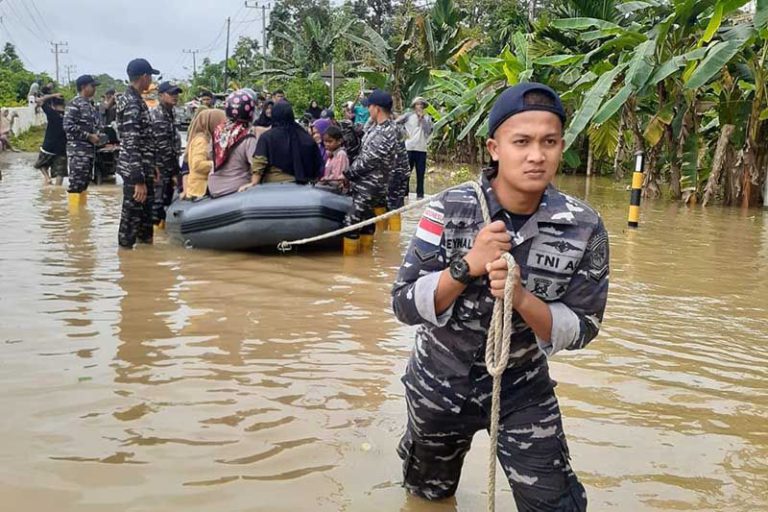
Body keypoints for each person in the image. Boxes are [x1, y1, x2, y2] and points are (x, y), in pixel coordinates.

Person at [391, 83, 609, 511]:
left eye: (549, 142)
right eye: (521, 142)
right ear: (494, 147)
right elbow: (402, 303)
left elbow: (584, 327)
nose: (536, 155)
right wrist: (465, 266)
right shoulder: (447, 208)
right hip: (438, 385)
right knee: (428, 498)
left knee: (555, 505)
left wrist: (522, 298)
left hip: (522, 389)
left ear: (561, 147)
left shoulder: (583, 226)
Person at [342, 89, 403, 250]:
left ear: (377, 108)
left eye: (370, 107)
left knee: (351, 223)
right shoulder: (377, 127)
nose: (368, 110)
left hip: (371, 184)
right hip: (370, 183)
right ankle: (364, 266)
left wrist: (348, 174)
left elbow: (368, 160)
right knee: (366, 222)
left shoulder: (387, 131)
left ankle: (349, 268)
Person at [116, 58, 160, 248]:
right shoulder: (132, 103)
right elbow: (132, 142)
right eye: (150, 76)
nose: (151, 80)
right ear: (144, 76)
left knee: (145, 224)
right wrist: (139, 180)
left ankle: (145, 266)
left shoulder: (134, 99)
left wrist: (153, 166)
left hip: (143, 168)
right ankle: (127, 267)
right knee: (131, 224)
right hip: (136, 172)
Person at [241, 101, 323, 189]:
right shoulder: (304, 136)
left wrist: (254, 183)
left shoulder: (267, 137)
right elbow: (316, 162)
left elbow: (260, 162)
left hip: (273, 187)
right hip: (303, 187)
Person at [207, 90, 259, 198]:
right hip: (237, 190)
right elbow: (256, 166)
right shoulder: (248, 136)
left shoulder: (218, 131)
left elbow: (210, 155)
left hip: (213, 187)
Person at [63, 75, 102, 197]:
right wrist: (89, 136)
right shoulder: (74, 104)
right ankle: (74, 216)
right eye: (93, 86)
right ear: (83, 87)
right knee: (76, 186)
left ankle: (81, 214)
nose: (95, 89)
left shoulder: (90, 105)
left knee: (84, 185)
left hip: (89, 153)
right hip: (78, 152)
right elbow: (68, 126)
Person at [150, 81, 183, 226]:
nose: (175, 96)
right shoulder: (157, 115)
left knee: (167, 200)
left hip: (171, 165)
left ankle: (162, 237)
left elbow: (173, 143)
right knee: (157, 204)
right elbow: (161, 147)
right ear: (161, 95)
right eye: (171, 93)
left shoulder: (173, 113)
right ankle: (154, 241)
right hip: (159, 167)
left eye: (176, 93)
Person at [181, 108, 226, 199]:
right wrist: (218, 164)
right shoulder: (201, 141)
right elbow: (197, 165)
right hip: (200, 190)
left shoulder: (207, 138)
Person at [396, 96, 433, 199]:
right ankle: (405, 194)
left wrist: (422, 119)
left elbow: (429, 131)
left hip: (421, 149)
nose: (419, 106)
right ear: (414, 106)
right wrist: (403, 133)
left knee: (420, 174)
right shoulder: (408, 116)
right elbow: (396, 123)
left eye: (421, 104)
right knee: (406, 172)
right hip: (409, 147)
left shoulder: (427, 118)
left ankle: (420, 195)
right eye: (417, 104)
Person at [33, 93, 67, 185]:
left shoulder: (52, 113)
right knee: (60, 172)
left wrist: (53, 95)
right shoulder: (68, 116)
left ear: (52, 105)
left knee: (41, 164)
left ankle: (47, 178)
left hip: (48, 146)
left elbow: (39, 100)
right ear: (64, 105)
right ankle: (58, 189)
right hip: (62, 148)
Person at [318, 125, 349, 193]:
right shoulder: (330, 155)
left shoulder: (341, 154)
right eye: (325, 141)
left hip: (336, 191)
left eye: (330, 141)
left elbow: (338, 177)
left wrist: (325, 179)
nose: (327, 144)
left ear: (339, 141)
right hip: (329, 189)